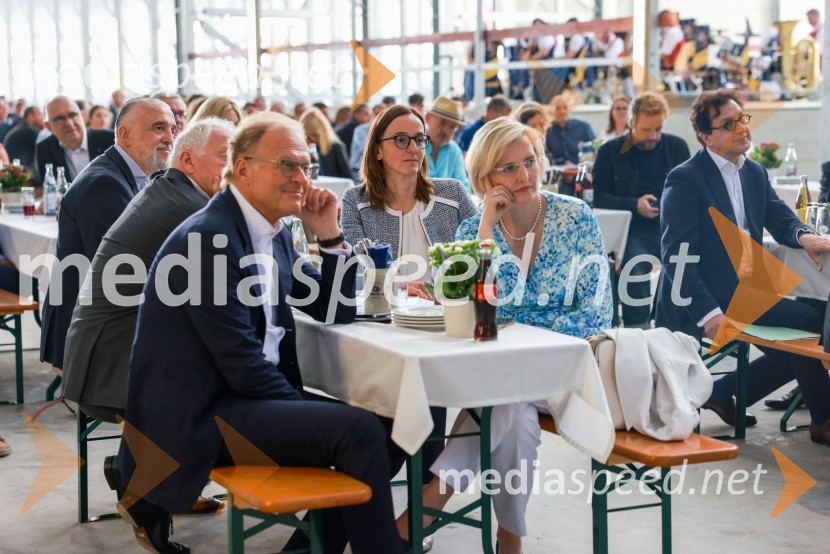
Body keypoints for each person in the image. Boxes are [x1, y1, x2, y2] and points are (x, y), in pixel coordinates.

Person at [112, 112, 401, 554]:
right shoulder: (209, 239)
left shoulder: (273, 232)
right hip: (201, 416)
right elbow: (241, 366)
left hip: (240, 397)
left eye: (306, 166)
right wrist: (314, 422)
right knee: (358, 432)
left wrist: (330, 239)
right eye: (287, 165)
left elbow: (332, 309)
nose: (301, 178)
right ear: (241, 168)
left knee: (388, 426)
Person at [398, 117, 612, 554]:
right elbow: (475, 306)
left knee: (510, 394)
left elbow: (595, 311)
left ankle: (429, 504)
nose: (524, 176)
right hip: (503, 373)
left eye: (529, 162)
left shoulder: (576, 217)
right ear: (485, 178)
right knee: (513, 408)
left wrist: (527, 336)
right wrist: (484, 232)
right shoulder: (473, 230)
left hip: (569, 364)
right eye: (509, 168)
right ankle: (509, 535)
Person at [61, 117, 234, 516]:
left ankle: (136, 470)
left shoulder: (172, 189)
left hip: (103, 342)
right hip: (108, 359)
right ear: (187, 161)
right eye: (226, 158)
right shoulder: (189, 207)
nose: (235, 169)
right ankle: (154, 482)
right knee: (229, 373)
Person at [655, 89, 830, 444]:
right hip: (703, 295)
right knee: (809, 326)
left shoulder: (754, 171)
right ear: (706, 136)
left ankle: (721, 392)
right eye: (728, 124)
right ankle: (822, 420)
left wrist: (804, 235)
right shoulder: (686, 178)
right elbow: (677, 256)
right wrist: (709, 314)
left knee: (803, 334)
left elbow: (780, 219)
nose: (742, 129)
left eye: (742, 119)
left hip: (746, 288)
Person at [341, 106, 477, 499]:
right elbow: (356, 260)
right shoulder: (357, 201)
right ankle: (393, 508)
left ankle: (413, 505)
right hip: (382, 331)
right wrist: (399, 282)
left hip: (444, 329)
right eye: (401, 139)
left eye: (419, 139)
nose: (413, 147)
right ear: (378, 150)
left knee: (430, 383)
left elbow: (482, 249)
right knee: (395, 408)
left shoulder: (450, 194)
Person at [40, 98, 175, 373]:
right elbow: (121, 272)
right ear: (124, 134)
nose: (170, 138)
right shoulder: (105, 184)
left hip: (102, 317)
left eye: (172, 129)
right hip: (88, 332)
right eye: (159, 128)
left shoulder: (126, 173)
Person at [593, 91, 690, 328]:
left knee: (688, 262)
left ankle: (670, 325)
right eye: (646, 130)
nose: (653, 136)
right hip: (632, 231)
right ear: (631, 122)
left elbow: (691, 192)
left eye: (658, 129)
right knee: (637, 263)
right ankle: (637, 329)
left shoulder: (677, 147)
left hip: (672, 228)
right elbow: (597, 197)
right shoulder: (610, 152)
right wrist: (634, 205)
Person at [37, 96, 114, 182]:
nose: (69, 124)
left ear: (83, 117)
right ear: (49, 126)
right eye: (60, 119)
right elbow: (51, 189)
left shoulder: (110, 140)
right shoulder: (45, 149)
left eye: (73, 115)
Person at [424, 97, 471, 193]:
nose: (445, 131)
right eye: (442, 123)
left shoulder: (454, 150)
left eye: (452, 127)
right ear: (428, 118)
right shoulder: (414, 145)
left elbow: (464, 188)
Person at [300, 107, 351, 179]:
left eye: (315, 135)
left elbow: (347, 175)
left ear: (323, 131)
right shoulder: (302, 149)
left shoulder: (336, 147)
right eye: (308, 135)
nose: (312, 138)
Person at [545, 94, 595, 165]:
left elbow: (595, 150)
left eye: (565, 107)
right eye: (557, 108)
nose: (562, 111)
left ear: (570, 109)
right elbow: (547, 155)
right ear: (552, 111)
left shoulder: (584, 127)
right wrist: (562, 162)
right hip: (559, 173)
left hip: (582, 171)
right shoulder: (548, 131)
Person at [3, 106, 44, 182]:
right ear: (30, 116)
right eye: (40, 114)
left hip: (14, 168)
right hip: (21, 170)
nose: (43, 117)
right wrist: (45, 128)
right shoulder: (29, 131)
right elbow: (45, 148)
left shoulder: (20, 126)